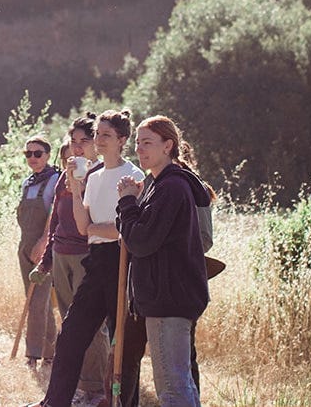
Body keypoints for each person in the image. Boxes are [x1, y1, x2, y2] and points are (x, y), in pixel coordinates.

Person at [22, 108, 146, 407]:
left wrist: (97, 227)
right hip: (97, 261)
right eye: (98, 135)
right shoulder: (94, 175)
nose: (99, 140)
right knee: (71, 335)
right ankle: (55, 401)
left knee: (124, 347)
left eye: (106, 135)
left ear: (122, 139)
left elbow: (125, 229)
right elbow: (82, 226)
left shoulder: (134, 175)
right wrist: (76, 191)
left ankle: (124, 404)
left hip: (125, 264)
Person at [115, 116, 212, 407]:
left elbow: (141, 242)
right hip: (169, 295)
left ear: (168, 145)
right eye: (137, 143)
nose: (140, 149)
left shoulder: (170, 188)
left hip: (167, 297)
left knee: (172, 386)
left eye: (148, 143)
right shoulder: (160, 185)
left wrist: (127, 201)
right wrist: (132, 202)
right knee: (179, 382)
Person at [32, 118, 108, 402]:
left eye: (83, 141)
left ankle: (95, 389)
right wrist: (47, 257)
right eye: (73, 141)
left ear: (96, 144)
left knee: (91, 326)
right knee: (68, 325)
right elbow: (56, 219)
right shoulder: (67, 172)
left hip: (85, 254)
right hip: (61, 253)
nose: (76, 147)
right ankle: (76, 387)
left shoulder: (100, 174)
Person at [16, 133, 60, 367]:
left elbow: (55, 215)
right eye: (28, 154)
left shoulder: (55, 180)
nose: (33, 158)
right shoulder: (27, 182)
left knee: (38, 301)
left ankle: (32, 355)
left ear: (48, 155)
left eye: (37, 153)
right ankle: (50, 353)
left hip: (44, 247)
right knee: (36, 301)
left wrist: (43, 241)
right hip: (24, 245)